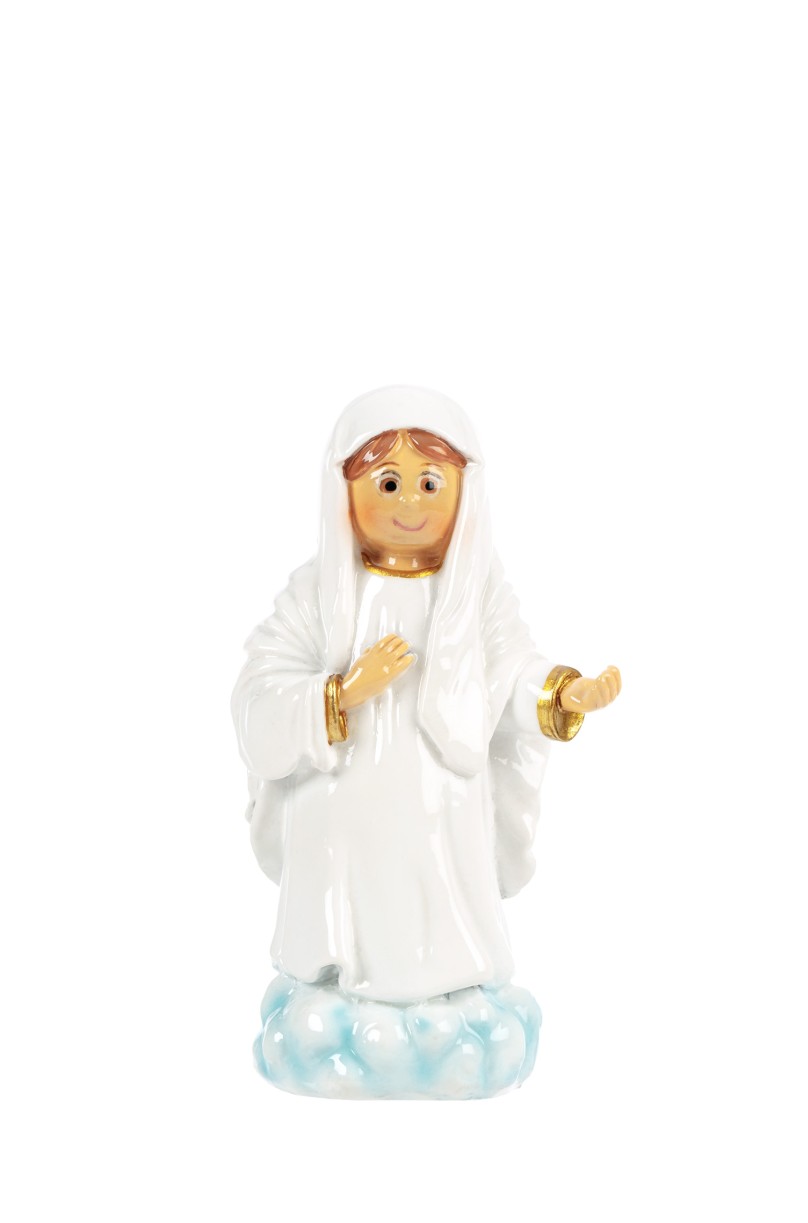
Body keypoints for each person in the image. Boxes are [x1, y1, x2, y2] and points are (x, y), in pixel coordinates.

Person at [232, 386, 621, 1096]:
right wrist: (342, 692)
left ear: (465, 492)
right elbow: (259, 689)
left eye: (431, 483)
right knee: (357, 899)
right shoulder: (319, 594)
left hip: (440, 801)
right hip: (343, 802)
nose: (409, 500)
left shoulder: (475, 592)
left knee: (433, 903)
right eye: (387, 482)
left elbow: (513, 670)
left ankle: (440, 995)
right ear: (345, 489)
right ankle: (346, 993)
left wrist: (563, 695)